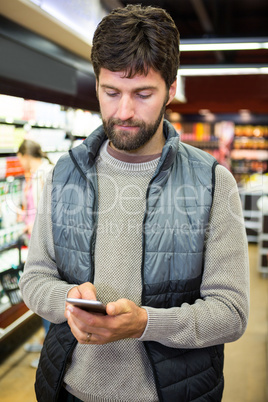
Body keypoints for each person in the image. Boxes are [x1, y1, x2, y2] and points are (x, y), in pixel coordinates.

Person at [19, 5, 249, 402]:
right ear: (96, 86)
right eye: (111, 92)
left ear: (171, 90)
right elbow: (34, 278)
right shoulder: (63, 174)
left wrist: (145, 323)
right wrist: (68, 301)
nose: (124, 111)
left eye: (143, 93)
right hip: (68, 389)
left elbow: (231, 312)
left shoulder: (213, 183)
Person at [17, 139, 54, 366]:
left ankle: (48, 355)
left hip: (44, 244)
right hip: (36, 240)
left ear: (24, 155)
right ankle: (44, 343)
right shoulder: (40, 172)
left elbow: (46, 211)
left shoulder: (44, 174)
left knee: (46, 293)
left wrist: (34, 225)